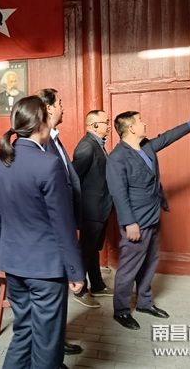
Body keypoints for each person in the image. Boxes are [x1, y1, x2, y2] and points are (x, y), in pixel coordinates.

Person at [0, 96, 84, 369]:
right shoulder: (48, 163)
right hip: (46, 269)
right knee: (47, 344)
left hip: (13, 263)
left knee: (24, 332)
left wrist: (3, 256)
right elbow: (62, 224)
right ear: (42, 123)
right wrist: (75, 271)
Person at [106, 107, 190, 330]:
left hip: (153, 214)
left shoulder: (146, 147)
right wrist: (129, 223)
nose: (144, 123)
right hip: (136, 221)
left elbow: (168, 137)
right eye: (140, 121)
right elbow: (118, 194)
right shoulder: (117, 158)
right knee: (129, 267)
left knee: (150, 261)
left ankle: (144, 303)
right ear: (131, 128)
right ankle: (121, 311)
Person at [37, 88, 94, 356]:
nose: (63, 107)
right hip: (51, 232)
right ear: (48, 108)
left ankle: (56, 343)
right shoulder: (42, 144)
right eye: (60, 103)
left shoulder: (55, 139)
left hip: (64, 222)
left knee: (58, 296)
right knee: (51, 298)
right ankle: (50, 353)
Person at [72, 110, 115, 305]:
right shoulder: (87, 146)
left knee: (91, 250)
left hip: (100, 207)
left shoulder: (97, 143)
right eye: (106, 122)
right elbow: (73, 179)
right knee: (85, 250)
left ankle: (97, 286)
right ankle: (80, 291)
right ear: (94, 125)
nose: (109, 125)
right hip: (91, 210)